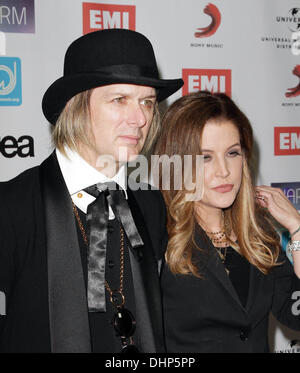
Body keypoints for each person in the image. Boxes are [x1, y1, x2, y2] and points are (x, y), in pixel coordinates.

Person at [0, 29, 183, 353]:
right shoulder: (11, 207)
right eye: (119, 100)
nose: (140, 118)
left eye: (147, 102)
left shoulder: (151, 204)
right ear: (76, 106)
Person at [154, 91, 300, 353]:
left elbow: (296, 314)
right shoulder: (159, 237)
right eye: (205, 157)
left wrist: (297, 230)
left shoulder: (258, 235)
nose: (224, 171)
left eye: (232, 153)